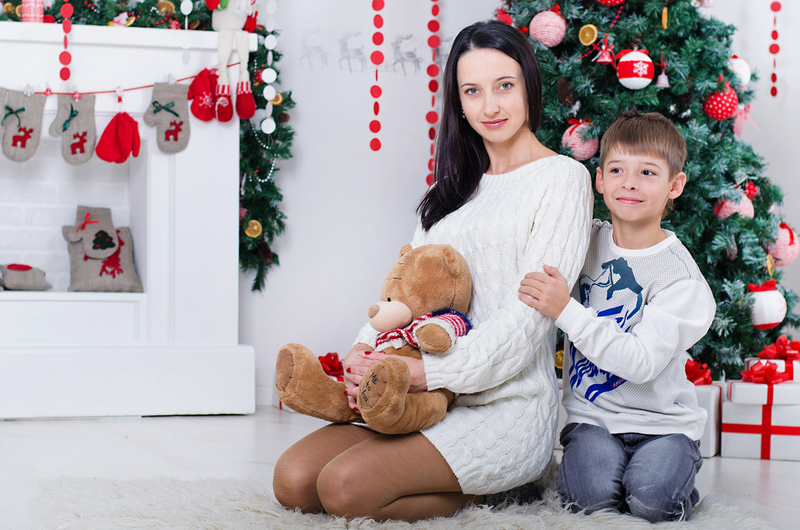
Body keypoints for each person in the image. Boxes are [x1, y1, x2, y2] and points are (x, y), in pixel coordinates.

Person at [273, 19, 593, 523]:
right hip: (423, 397)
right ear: (458, 102)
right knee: (293, 480)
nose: (490, 106)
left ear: (529, 86)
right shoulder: (451, 192)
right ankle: (434, 471)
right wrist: (364, 350)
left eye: (504, 86)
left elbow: (526, 324)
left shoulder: (562, 179)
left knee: (343, 489)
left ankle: (505, 488)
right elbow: (405, 292)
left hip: (504, 407)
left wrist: (427, 373)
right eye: (472, 91)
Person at [518, 111, 715, 522]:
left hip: (664, 426)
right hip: (594, 420)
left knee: (651, 502)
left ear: (674, 185)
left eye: (647, 172)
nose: (629, 182)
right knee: (590, 504)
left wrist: (567, 310)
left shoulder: (681, 279)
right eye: (617, 170)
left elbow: (640, 363)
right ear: (600, 180)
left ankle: (676, 479)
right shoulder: (583, 240)